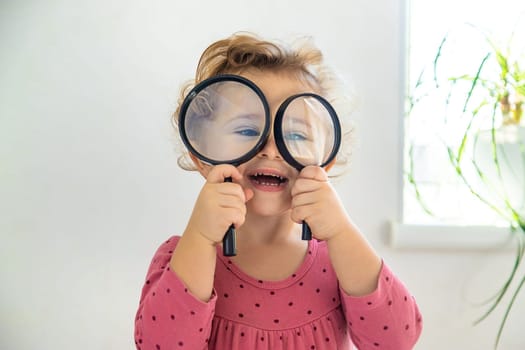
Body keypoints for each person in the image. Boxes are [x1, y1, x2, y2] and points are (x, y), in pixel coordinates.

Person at [134, 32, 422, 350]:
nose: (272, 149)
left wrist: (341, 231)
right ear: (202, 155)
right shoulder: (183, 257)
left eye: (295, 134)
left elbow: (396, 340)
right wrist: (201, 238)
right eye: (247, 130)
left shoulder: (340, 259)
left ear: (325, 161)